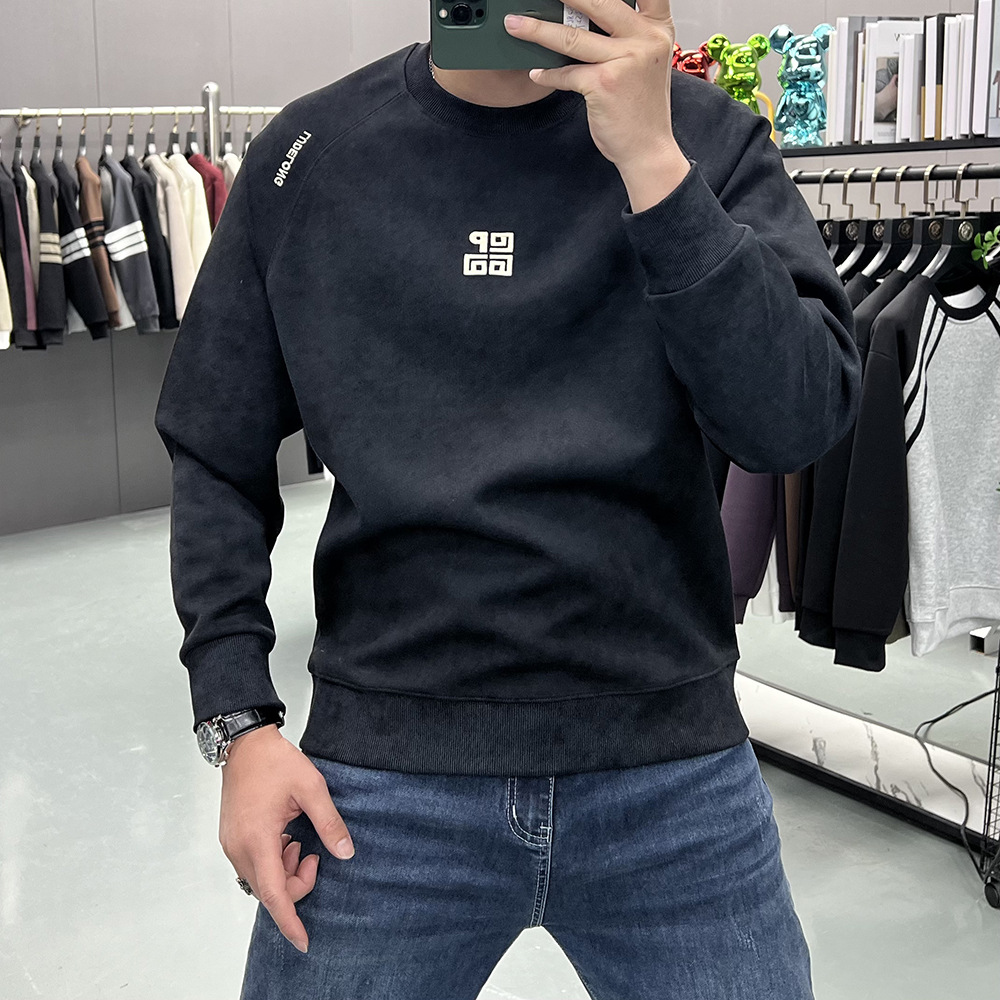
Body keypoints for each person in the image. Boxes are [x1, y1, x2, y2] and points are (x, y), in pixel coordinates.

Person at [154, 1, 861, 997]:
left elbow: (794, 420)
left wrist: (653, 164)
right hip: (383, 776)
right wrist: (238, 726)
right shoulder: (310, 155)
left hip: (669, 772)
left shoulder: (702, 138)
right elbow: (213, 445)